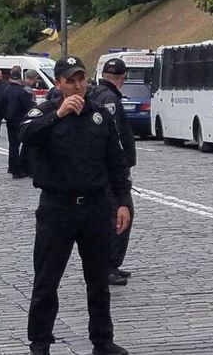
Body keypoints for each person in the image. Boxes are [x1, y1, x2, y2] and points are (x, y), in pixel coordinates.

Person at [20, 55, 131, 355]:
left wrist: (122, 201)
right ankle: (40, 343)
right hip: (57, 208)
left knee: (98, 280)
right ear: (58, 83)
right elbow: (25, 135)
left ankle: (103, 340)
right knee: (46, 280)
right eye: (71, 80)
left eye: (82, 79)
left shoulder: (99, 115)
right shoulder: (43, 111)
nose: (78, 85)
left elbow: (115, 162)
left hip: (94, 207)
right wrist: (57, 114)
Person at [89, 58, 137, 286]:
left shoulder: (97, 93)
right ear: (122, 77)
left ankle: (107, 264)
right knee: (121, 214)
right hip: (112, 169)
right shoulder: (110, 99)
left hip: (102, 168)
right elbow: (115, 135)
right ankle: (109, 266)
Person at [2, 65, 34, 178]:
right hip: (20, 120)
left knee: (12, 145)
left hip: (9, 120)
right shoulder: (22, 92)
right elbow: (29, 107)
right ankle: (18, 170)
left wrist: (5, 115)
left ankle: (12, 167)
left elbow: (2, 105)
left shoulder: (5, 89)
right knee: (23, 144)